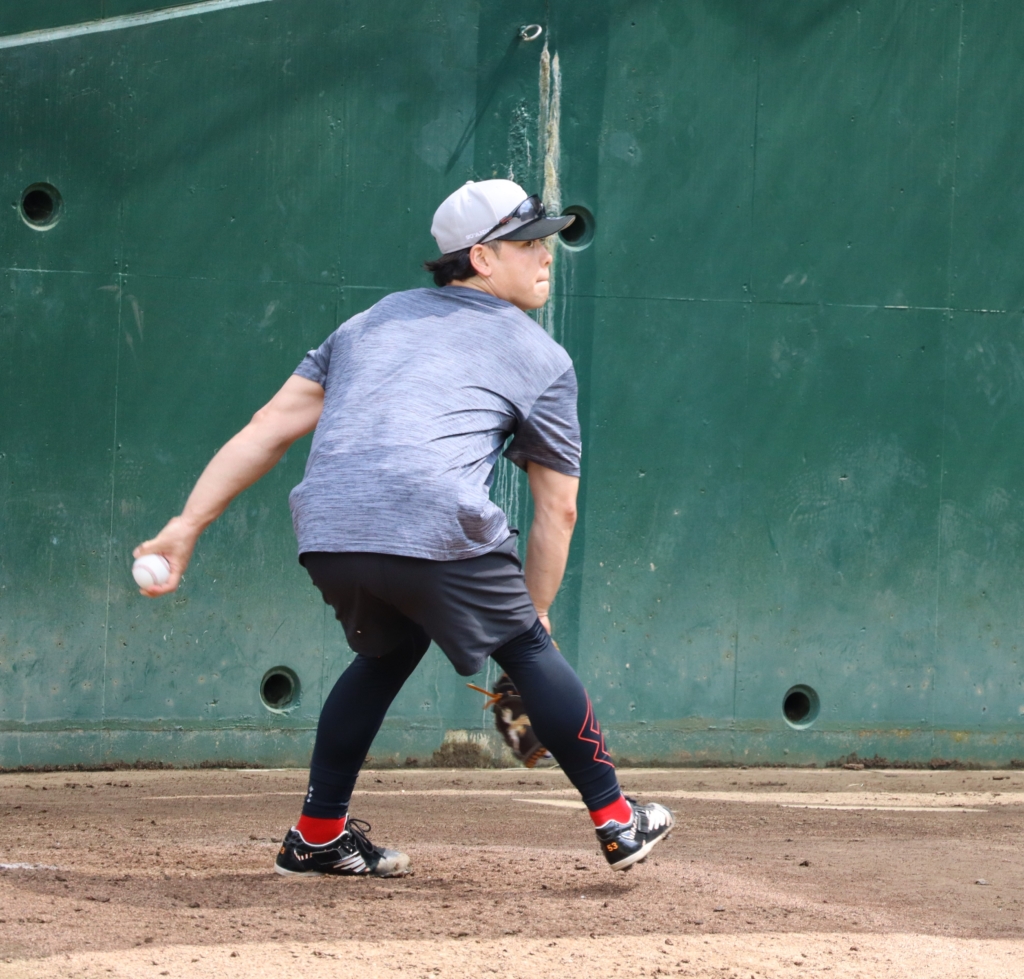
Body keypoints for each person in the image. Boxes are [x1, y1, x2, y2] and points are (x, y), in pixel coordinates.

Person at [134, 179, 674, 877]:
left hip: (329, 529)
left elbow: (268, 428)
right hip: (431, 519)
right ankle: (617, 820)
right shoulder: (542, 356)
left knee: (387, 653)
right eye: (530, 242)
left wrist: (187, 524)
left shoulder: (369, 322)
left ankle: (317, 834)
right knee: (527, 647)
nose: (547, 255)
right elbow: (558, 507)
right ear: (482, 257)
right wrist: (531, 620)